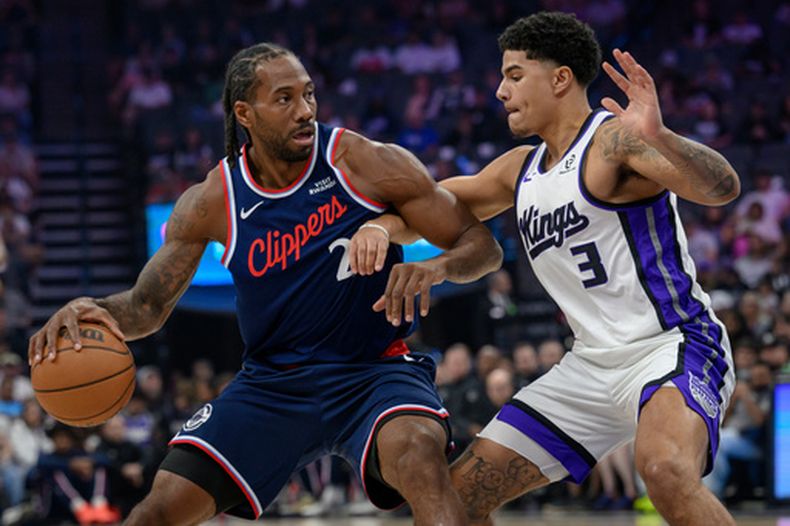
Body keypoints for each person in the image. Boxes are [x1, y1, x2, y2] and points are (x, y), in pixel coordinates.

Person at [28, 43, 503, 525]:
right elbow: (146, 307)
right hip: (273, 385)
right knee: (156, 510)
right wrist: (90, 308)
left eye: (309, 95)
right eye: (284, 99)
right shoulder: (213, 200)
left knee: (423, 462)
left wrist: (437, 268)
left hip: (373, 373)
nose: (305, 112)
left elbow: (480, 244)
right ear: (244, 113)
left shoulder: (362, 161)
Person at [351, 12, 740, 525]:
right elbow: (431, 206)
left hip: (672, 344)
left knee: (664, 469)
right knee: (451, 503)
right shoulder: (518, 170)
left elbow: (721, 188)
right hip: (590, 366)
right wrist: (378, 229)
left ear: (559, 79)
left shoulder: (613, 143)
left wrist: (662, 137)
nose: (499, 91)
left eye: (514, 75)